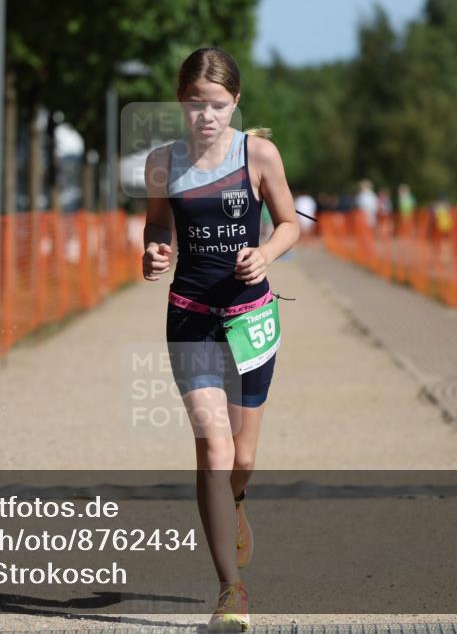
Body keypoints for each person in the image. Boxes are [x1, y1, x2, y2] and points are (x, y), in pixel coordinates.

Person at [141, 47, 300, 631]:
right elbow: (159, 222)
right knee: (214, 447)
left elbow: (288, 224)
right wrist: (156, 249)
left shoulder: (257, 154)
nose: (204, 117)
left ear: (235, 102)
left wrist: (265, 253)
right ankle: (231, 591)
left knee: (244, 455)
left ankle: (235, 502)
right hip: (189, 316)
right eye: (192, 105)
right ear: (179, 102)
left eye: (215, 106)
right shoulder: (162, 161)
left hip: (251, 318)